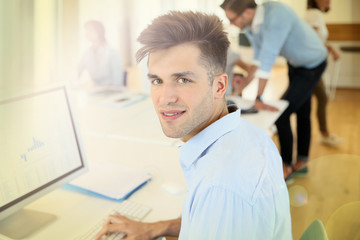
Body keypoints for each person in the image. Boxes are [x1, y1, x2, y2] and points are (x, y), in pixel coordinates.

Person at [95, 11, 292, 240]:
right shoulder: (248, 134)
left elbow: (220, 208)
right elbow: (208, 221)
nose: (165, 97)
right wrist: (157, 228)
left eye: (183, 80)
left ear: (219, 86)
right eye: (157, 80)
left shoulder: (222, 188)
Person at [220, 0, 328, 180]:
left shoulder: (276, 14)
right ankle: (302, 160)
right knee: (302, 110)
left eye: (232, 19)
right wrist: (241, 88)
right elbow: (258, 60)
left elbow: (267, 60)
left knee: (282, 114)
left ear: (247, 13)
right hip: (295, 64)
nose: (231, 24)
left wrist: (259, 97)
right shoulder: (250, 26)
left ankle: (286, 166)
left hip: (313, 64)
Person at [305, 0, 343, 147]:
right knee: (322, 97)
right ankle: (325, 134)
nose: (329, 1)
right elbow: (311, 39)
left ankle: (325, 133)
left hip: (311, 64)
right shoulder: (314, 14)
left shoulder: (314, 14)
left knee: (299, 98)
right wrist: (331, 48)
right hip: (311, 65)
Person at [78, 20, 125, 87]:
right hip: (97, 93)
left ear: (99, 31)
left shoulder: (113, 53)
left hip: (114, 93)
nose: (87, 33)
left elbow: (116, 83)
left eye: (90, 30)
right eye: (86, 30)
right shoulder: (87, 54)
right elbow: (77, 72)